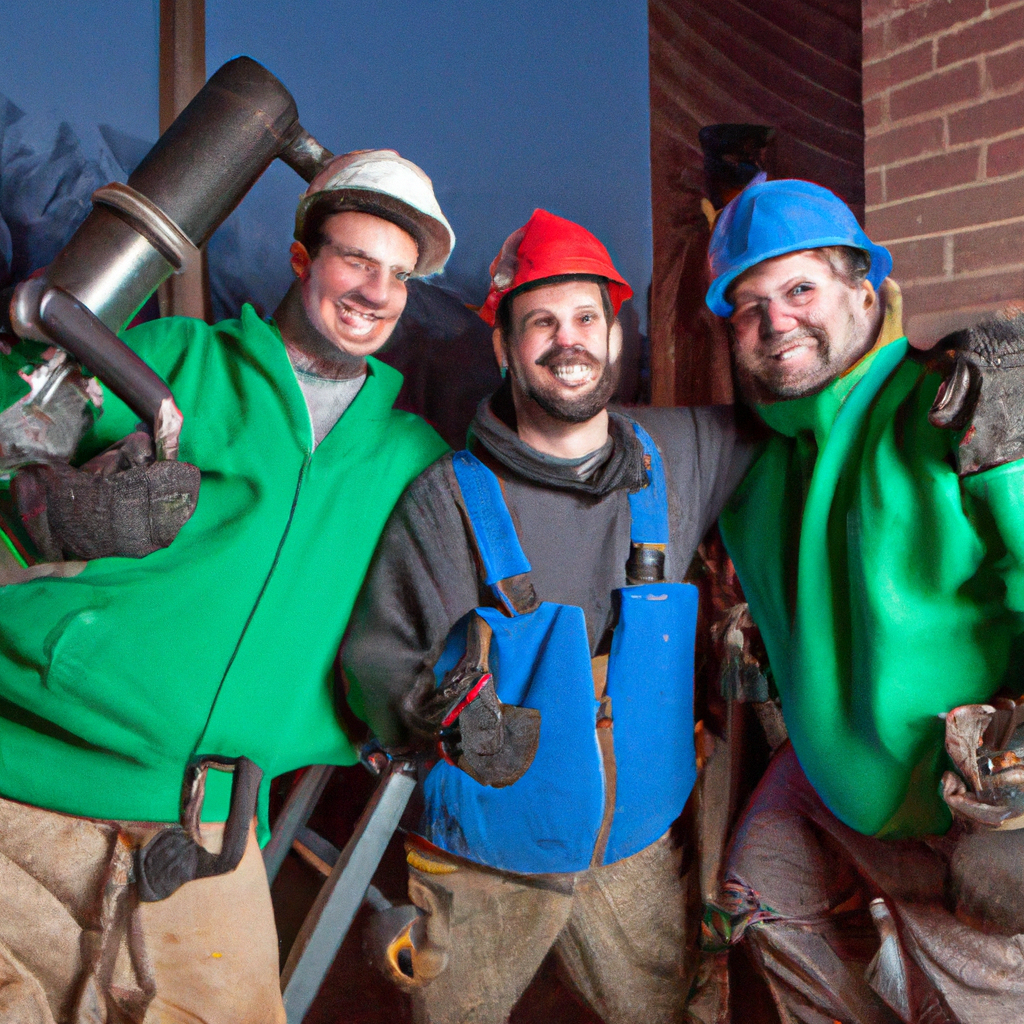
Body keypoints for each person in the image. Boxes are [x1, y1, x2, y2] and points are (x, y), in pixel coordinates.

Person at [0, 149, 453, 1024]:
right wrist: (46, 509)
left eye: (397, 276)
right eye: (356, 260)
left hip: (207, 825)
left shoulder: (413, 459)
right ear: (300, 260)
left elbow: (433, 613)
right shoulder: (179, 358)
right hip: (27, 770)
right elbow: (11, 434)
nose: (374, 292)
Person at [341, 208, 752, 1024]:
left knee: (672, 1012)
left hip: (633, 847)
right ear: (503, 345)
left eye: (586, 319)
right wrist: (439, 716)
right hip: (486, 857)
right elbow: (376, 662)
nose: (568, 341)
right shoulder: (446, 499)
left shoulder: (686, 454)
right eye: (540, 323)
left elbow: (808, 409)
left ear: (614, 331)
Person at [706, 177, 1024, 1022]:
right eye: (749, 306)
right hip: (833, 785)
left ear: (864, 288)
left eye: (800, 288)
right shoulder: (754, 465)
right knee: (758, 890)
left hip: (969, 814)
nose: (777, 322)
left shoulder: (956, 404)